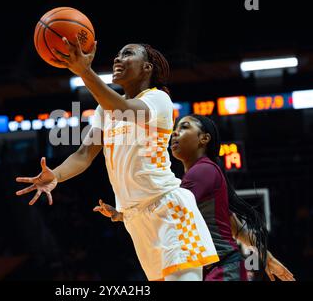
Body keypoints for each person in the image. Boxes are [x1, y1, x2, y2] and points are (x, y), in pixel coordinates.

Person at [16, 37, 219, 281]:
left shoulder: (158, 99)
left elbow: (121, 107)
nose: (117, 58)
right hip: (136, 220)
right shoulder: (105, 110)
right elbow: (84, 154)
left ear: (147, 68)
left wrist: (85, 71)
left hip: (170, 211)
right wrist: (56, 175)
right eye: (118, 54)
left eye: (128, 54)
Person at [94, 114, 295, 281]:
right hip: (219, 266)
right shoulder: (202, 173)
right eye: (175, 128)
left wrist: (126, 213)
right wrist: (267, 258)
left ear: (204, 139)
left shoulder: (202, 171)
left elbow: (166, 213)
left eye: (184, 127)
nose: (174, 133)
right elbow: (234, 226)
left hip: (222, 267)